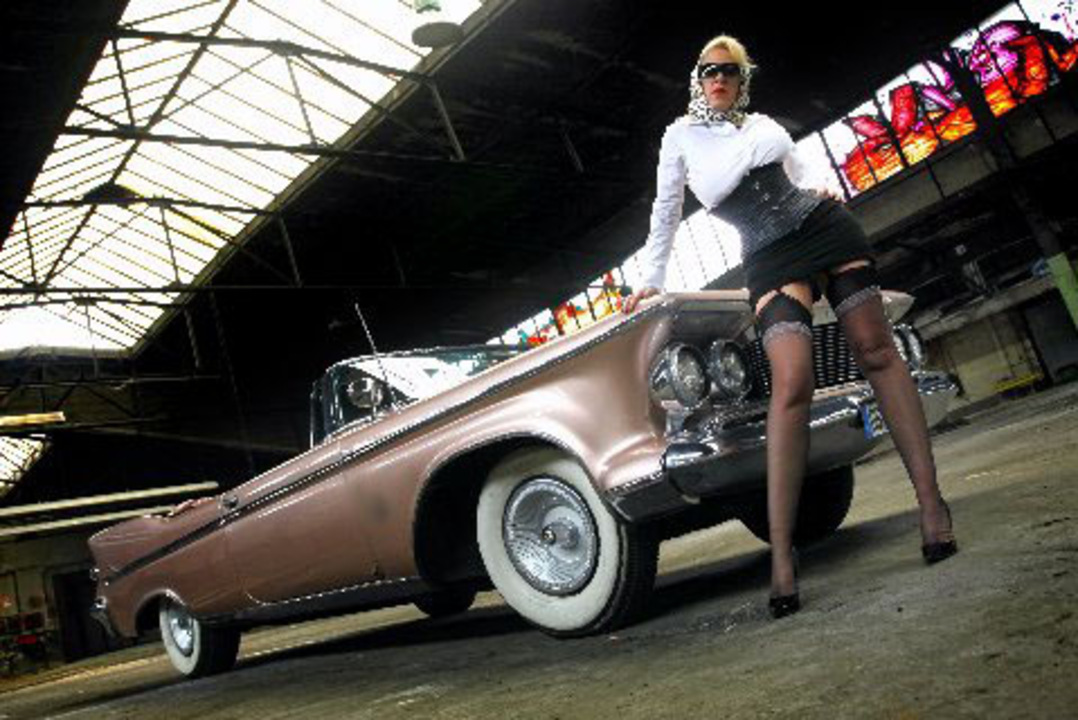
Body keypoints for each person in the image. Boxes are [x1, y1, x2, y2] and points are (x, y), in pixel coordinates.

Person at [622, 34, 957, 619]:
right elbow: (666, 210)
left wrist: (820, 186)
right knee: (792, 384)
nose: (718, 78)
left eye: (729, 71)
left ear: (742, 80)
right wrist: (650, 278)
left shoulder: (761, 124)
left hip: (826, 228)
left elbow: (799, 169)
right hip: (768, 256)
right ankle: (781, 554)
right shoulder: (681, 136)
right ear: (697, 78)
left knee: (876, 351)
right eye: (708, 70)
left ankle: (932, 506)